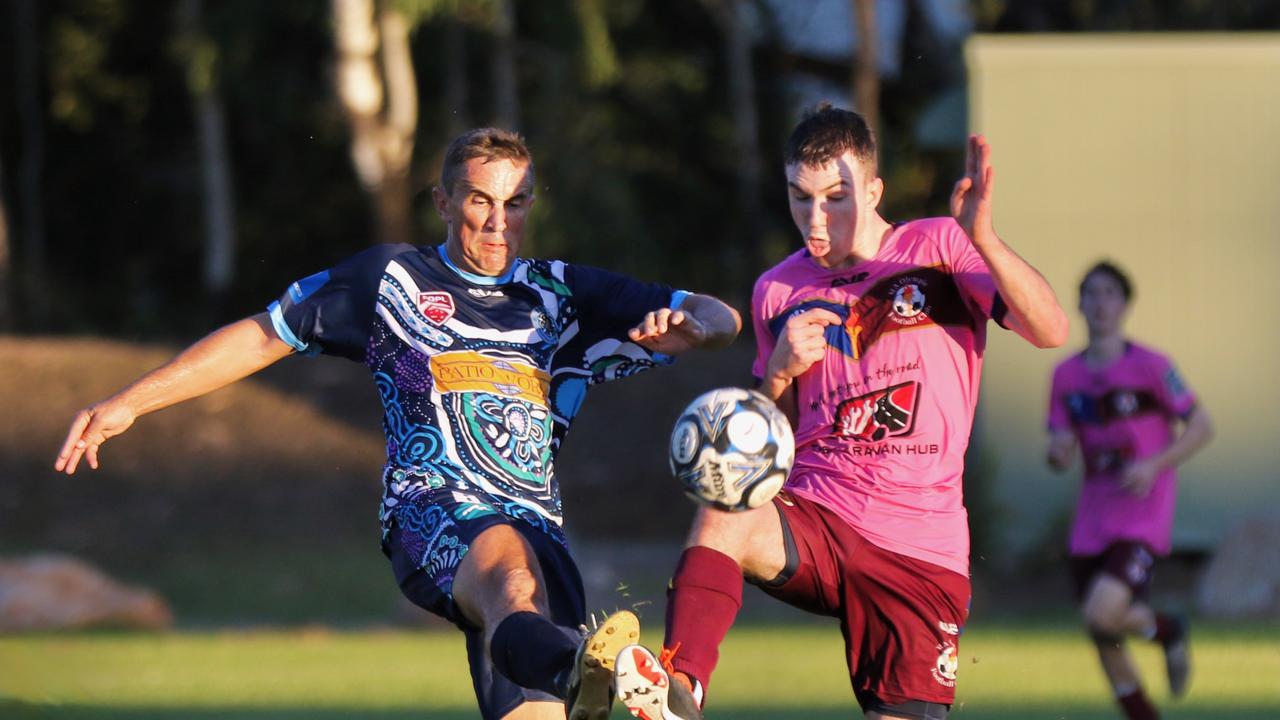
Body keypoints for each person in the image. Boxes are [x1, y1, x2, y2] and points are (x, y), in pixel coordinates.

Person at [54, 127, 742, 720]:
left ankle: (577, 669)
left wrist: (692, 324)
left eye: (516, 203)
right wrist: (131, 403)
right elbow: (265, 335)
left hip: (538, 525)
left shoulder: (563, 292)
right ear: (444, 202)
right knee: (510, 583)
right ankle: (601, 668)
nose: (499, 222)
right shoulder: (391, 279)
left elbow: (718, 315)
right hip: (431, 509)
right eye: (480, 201)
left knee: (523, 611)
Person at [611, 103, 1069, 720]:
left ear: (875, 191)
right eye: (800, 198)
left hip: (919, 550)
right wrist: (778, 371)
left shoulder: (939, 247)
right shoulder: (778, 288)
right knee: (728, 502)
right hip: (820, 517)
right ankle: (681, 690)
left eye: (836, 197)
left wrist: (983, 237)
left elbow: (1050, 329)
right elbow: (761, 438)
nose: (815, 218)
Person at [1046, 261, 1213, 720]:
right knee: (1103, 633)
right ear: (1078, 303)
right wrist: (1058, 452)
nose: (1100, 303)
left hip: (1141, 512)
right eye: (1091, 294)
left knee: (1102, 615)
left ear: (1125, 304)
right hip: (1091, 519)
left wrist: (1154, 465)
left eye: (1110, 294)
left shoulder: (1152, 366)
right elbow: (1058, 440)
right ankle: (1145, 710)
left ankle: (1168, 630)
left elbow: (1201, 425)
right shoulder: (1066, 376)